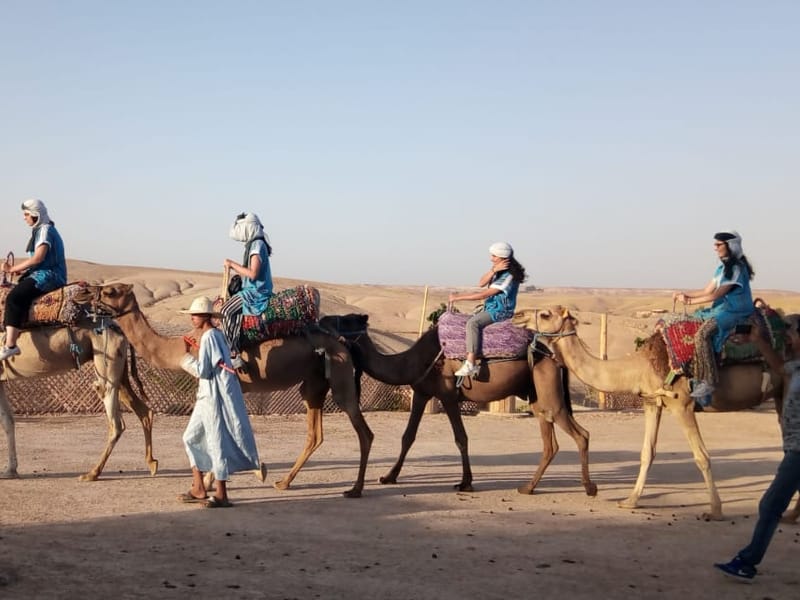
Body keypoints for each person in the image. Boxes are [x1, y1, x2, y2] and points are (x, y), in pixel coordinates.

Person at [713, 318, 800, 581]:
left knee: (770, 505)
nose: (788, 335)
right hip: (793, 447)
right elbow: (779, 367)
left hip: (799, 452)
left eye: (793, 332)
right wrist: (758, 340)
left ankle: (747, 562)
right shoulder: (796, 366)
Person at [178, 296, 266, 508]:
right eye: (191, 314)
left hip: (213, 395)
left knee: (216, 441)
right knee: (190, 437)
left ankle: (221, 494)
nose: (192, 318)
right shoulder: (214, 335)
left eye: (196, 314)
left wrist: (185, 358)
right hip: (207, 395)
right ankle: (199, 488)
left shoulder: (209, 337)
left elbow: (204, 371)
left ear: (206, 316)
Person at [672, 231, 755, 402]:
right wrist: (684, 294)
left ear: (730, 246)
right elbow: (706, 290)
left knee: (702, 334)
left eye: (719, 245)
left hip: (736, 310)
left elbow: (715, 295)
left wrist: (688, 302)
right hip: (724, 307)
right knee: (694, 321)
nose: (715, 248)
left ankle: (708, 381)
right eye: (715, 244)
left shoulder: (736, 269)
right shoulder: (722, 268)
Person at [0, 199, 67, 361]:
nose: (24, 218)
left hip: (50, 276)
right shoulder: (41, 230)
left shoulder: (45, 230)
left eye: (27, 214)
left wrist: (12, 269)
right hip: (41, 273)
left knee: (14, 298)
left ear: (36, 215)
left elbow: (38, 258)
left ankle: (10, 345)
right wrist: (22, 270)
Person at [448, 241, 527, 377]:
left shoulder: (508, 277)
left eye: (494, 256)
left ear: (502, 257)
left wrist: (458, 297)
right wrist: (493, 270)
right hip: (491, 307)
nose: (491, 258)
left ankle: (470, 363)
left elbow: (485, 294)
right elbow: (481, 283)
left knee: (472, 323)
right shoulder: (499, 272)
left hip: (500, 311)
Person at [220, 212, 273, 369]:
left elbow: (253, 273)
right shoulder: (255, 244)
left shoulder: (256, 246)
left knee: (226, 311)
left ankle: (233, 354)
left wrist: (232, 264)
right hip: (250, 289)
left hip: (256, 293)